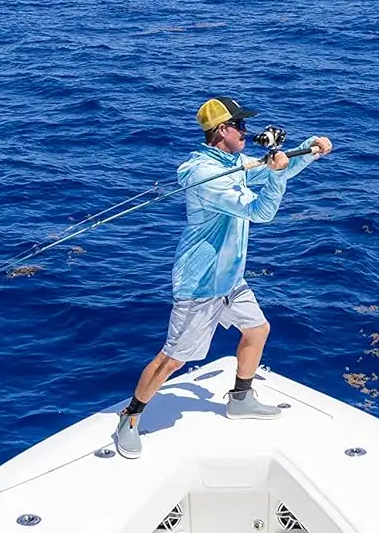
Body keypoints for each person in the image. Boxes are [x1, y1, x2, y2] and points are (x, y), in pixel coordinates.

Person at [114, 97, 333, 459]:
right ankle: (130, 417)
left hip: (230, 277)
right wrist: (277, 175)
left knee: (257, 329)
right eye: (240, 127)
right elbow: (260, 211)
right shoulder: (205, 175)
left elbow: (266, 169)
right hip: (201, 283)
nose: (246, 132)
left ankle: (241, 398)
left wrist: (307, 151)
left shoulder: (230, 161)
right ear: (221, 131)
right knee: (173, 359)